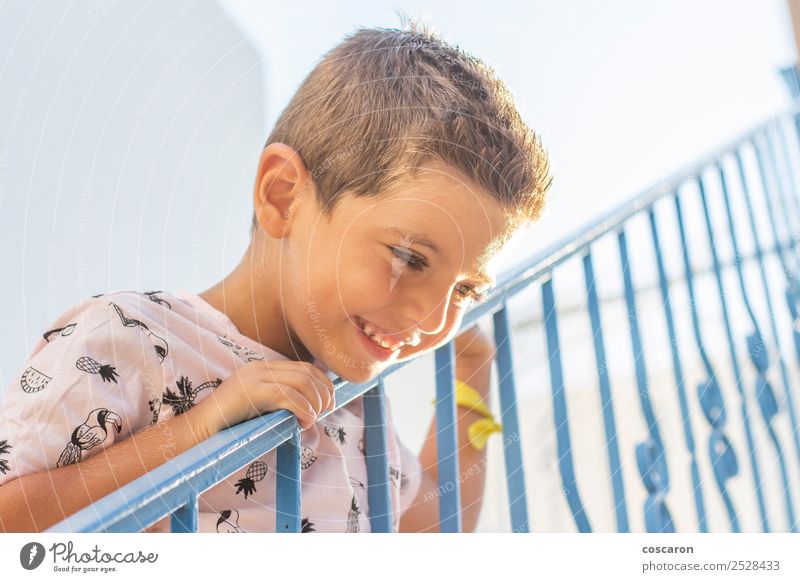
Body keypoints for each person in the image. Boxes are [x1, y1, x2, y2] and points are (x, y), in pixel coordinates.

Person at [0, 23, 551, 533]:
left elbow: (436, 524)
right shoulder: (126, 335)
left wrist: (472, 378)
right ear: (283, 196)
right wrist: (199, 430)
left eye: (465, 291)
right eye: (409, 258)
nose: (433, 320)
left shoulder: (353, 405)